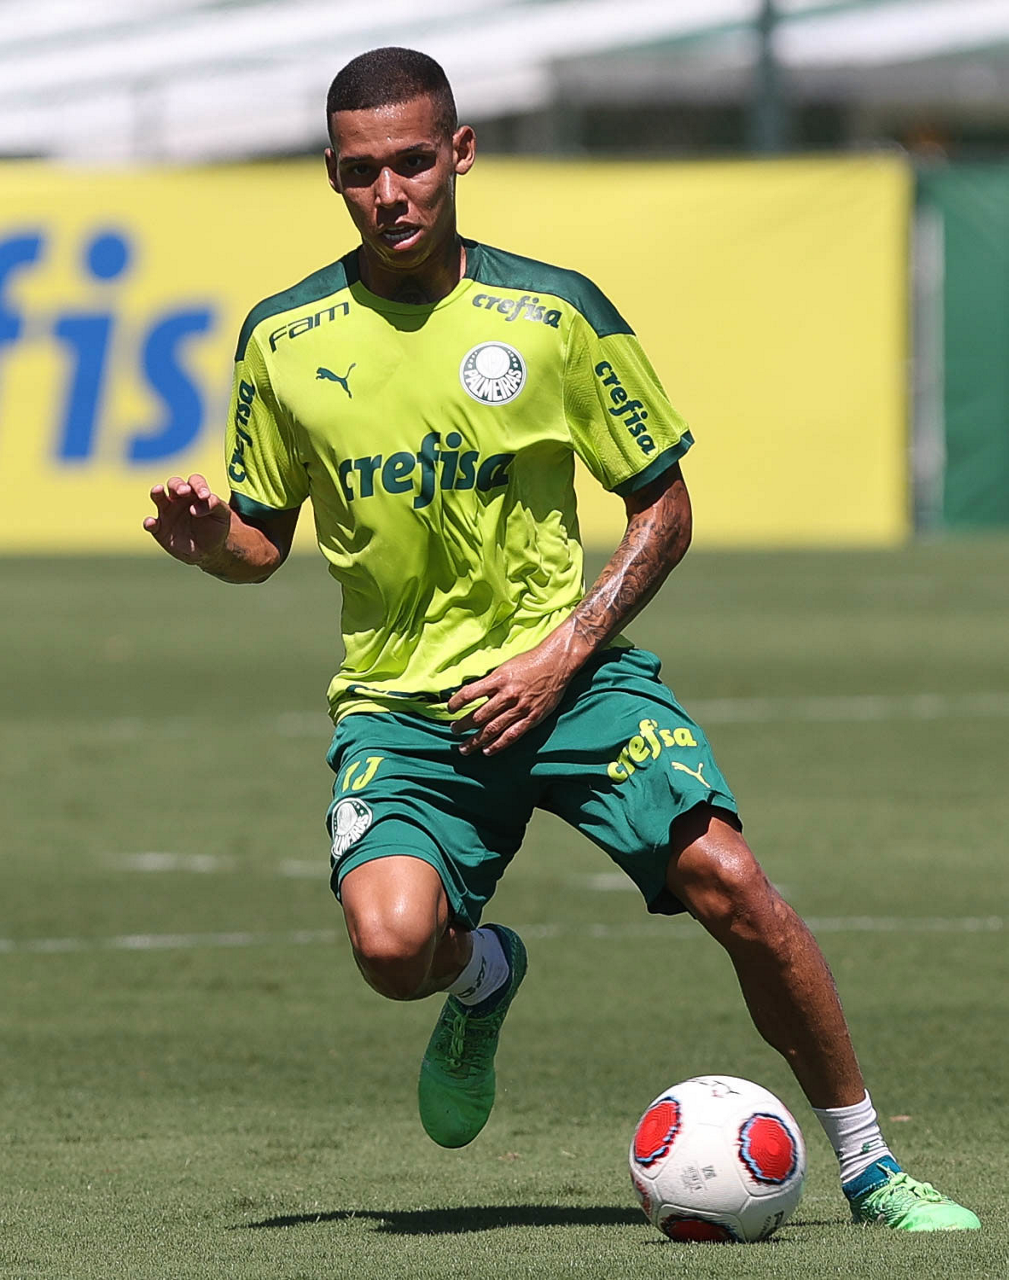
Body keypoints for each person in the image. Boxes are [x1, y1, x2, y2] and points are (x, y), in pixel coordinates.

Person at [144, 46, 978, 1233]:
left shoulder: (554, 311)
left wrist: (564, 648)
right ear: (331, 174)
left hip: (570, 678)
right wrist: (210, 543)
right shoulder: (282, 337)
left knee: (734, 884)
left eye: (413, 162)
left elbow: (664, 509)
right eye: (362, 171)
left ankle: (870, 1164)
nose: (390, 193)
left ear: (460, 153)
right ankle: (482, 972)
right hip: (403, 707)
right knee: (391, 947)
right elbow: (261, 541)